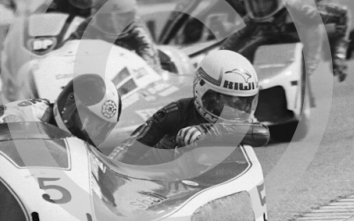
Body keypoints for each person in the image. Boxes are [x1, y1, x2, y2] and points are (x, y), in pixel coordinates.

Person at [0, 74, 121, 172]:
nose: (90, 133)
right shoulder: (25, 118)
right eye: (87, 121)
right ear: (69, 105)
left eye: (99, 128)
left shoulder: (70, 140)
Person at [109, 50, 269, 165]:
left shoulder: (246, 123)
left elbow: (263, 134)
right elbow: (130, 147)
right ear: (202, 90)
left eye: (243, 103)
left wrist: (206, 131)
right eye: (226, 101)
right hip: (165, 182)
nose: (235, 110)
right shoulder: (174, 112)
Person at [222, 0, 350, 82]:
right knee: (235, 60)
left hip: (307, 52)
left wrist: (338, 55)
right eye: (254, 3)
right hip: (270, 50)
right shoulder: (251, 19)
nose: (259, 8)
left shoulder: (301, 10)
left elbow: (342, 14)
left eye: (265, 2)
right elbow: (229, 45)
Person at [69, 0, 161, 71]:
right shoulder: (86, 28)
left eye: (121, 17)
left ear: (132, 15)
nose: (113, 23)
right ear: (95, 14)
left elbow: (151, 69)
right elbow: (67, 53)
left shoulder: (139, 33)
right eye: (106, 17)